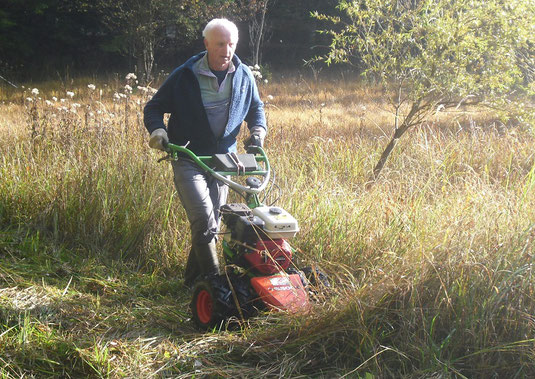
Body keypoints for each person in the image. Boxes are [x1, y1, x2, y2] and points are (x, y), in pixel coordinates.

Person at [143, 18, 267, 287]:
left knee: (214, 220)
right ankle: (214, 284)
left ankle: (192, 284)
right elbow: (153, 108)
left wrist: (257, 132)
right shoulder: (185, 74)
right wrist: (158, 132)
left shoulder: (243, 74)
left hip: (224, 159)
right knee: (203, 217)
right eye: (220, 44)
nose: (227, 50)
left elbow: (256, 109)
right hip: (188, 156)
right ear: (207, 44)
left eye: (231, 44)